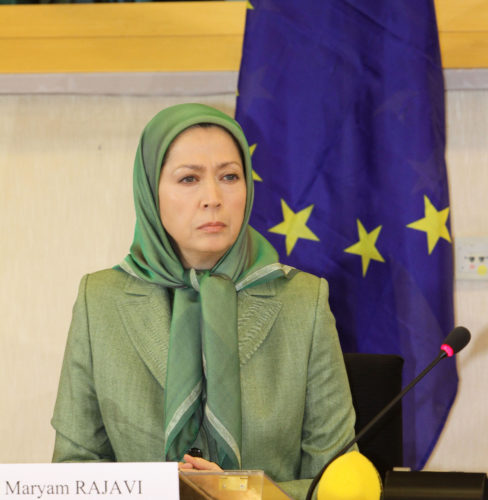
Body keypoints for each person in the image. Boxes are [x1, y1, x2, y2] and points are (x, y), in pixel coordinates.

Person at [51, 103, 356, 500]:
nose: (213, 197)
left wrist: (242, 493)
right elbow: (73, 472)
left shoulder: (303, 300)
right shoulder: (101, 300)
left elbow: (340, 483)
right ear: (149, 190)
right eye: (189, 179)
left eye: (229, 176)